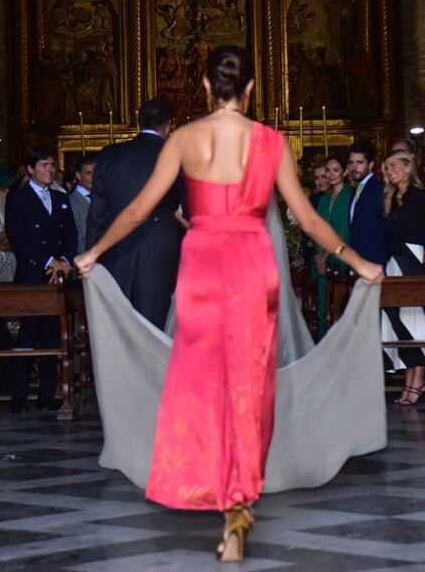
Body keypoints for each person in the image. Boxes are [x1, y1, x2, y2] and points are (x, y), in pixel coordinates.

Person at [74, 45, 382, 563]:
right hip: (251, 267)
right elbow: (307, 219)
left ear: (204, 83)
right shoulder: (271, 142)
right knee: (249, 385)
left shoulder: (185, 139)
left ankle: (210, 483)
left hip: (201, 269)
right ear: (253, 88)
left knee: (201, 382)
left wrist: (95, 251)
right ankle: (238, 507)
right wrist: (359, 262)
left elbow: (136, 210)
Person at [86, 96, 186, 328]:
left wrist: (92, 256)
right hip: (161, 253)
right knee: (156, 326)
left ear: (140, 122)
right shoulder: (176, 155)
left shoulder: (110, 154)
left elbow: (97, 214)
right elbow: (186, 209)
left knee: (119, 327)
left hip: (116, 252)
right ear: (168, 126)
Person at [5, 145, 78, 413]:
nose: (50, 171)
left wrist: (65, 261)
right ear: (31, 169)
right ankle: (19, 394)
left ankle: (47, 392)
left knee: (51, 334)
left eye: (52, 166)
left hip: (56, 276)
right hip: (33, 274)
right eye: (44, 166)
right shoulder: (18, 198)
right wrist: (49, 261)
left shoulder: (60, 198)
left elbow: (71, 234)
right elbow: (19, 237)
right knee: (27, 334)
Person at [379, 151, 425, 405]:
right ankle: (408, 377)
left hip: (412, 257)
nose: (390, 171)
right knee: (396, 320)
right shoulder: (390, 197)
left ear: (407, 166)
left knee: (414, 320)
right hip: (394, 259)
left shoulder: (419, 196)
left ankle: (418, 379)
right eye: (386, 167)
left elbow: (412, 226)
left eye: (393, 165)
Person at [311, 155, 351, 339]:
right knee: (323, 305)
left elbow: (343, 228)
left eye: (336, 170)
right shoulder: (324, 198)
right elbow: (316, 227)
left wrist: (326, 255)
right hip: (320, 256)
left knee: (339, 306)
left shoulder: (349, 195)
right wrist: (319, 255)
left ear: (345, 171)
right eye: (328, 170)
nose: (331, 174)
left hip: (340, 257)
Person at [347, 140, 388, 265]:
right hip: (358, 261)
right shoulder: (355, 191)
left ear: (370, 165)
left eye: (359, 162)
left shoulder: (378, 189)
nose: (354, 167)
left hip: (375, 261)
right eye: (351, 163)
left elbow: (386, 227)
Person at [69, 154, 96, 254]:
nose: (94, 177)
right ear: (78, 175)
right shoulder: (72, 202)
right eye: (89, 173)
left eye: (96, 172)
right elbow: (77, 238)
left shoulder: (101, 198)